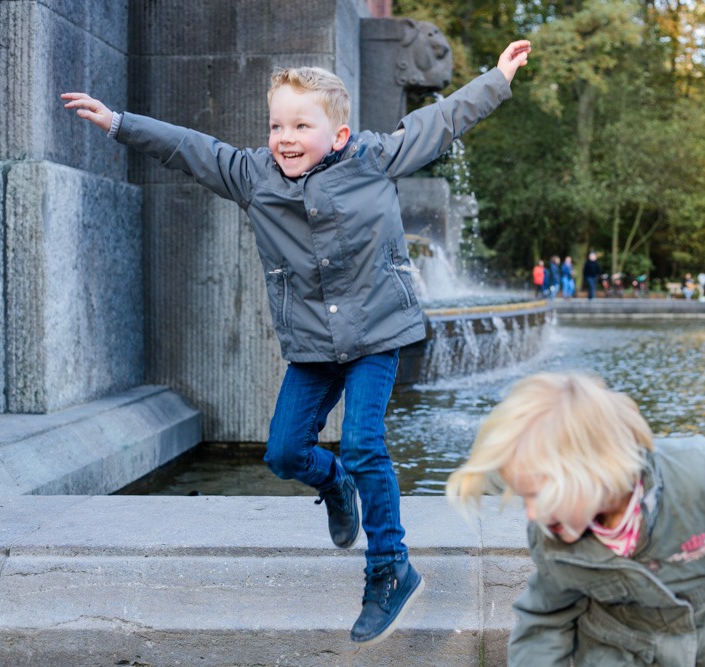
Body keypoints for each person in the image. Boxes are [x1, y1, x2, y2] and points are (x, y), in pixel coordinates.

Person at [63, 39, 533, 646]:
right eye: (276, 124)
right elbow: (190, 148)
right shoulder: (255, 177)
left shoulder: (374, 159)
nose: (284, 137)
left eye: (300, 125)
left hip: (376, 334)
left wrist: (496, 78)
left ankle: (390, 566)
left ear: (336, 134)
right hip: (312, 344)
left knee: (366, 443)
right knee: (285, 454)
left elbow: (441, 122)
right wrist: (121, 124)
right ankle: (333, 484)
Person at [446, 373, 705, 667]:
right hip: (618, 652)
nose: (532, 513)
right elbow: (543, 621)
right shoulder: (551, 539)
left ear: (597, 472)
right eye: (524, 497)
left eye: (539, 495)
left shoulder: (698, 473)